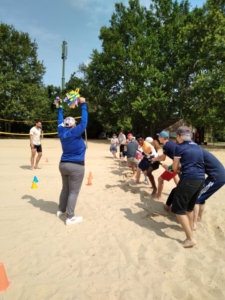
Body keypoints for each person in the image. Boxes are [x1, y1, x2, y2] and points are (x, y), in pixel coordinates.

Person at [56, 97, 88, 226]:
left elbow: (59, 119)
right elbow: (84, 121)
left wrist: (60, 107)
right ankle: (70, 217)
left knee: (65, 189)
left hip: (63, 164)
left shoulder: (61, 130)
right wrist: (83, 104)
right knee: (73, 192)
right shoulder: (75, 132)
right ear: (73, 125)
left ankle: (61, 210)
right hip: (75, 166)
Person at [171, 126, 205, 248]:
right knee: (189, 208)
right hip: (200, 179)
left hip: (189, 179)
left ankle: (190, 238)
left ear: (179, 136)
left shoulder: (179, 147)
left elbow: (175, 168)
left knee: (177, 209)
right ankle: (190, 230)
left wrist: (179, 168)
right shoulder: (197, 146)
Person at [193, 149, 225, 229]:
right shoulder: (200, 151)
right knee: (201, 197)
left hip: (216, 178)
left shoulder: (195, 153)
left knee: (195, 198)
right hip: (217, 176)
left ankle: (194, 223)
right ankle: (199, 218)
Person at [151, 131, 179, 199]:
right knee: (174, 175)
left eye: (159, 137)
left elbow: (163, 159)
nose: (158, 138)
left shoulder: (165, 146)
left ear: (162, 138)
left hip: (177, 164)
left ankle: (159, 196)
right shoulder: (171, 143)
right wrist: (155, 158)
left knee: (160, 179)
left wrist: (155, 160)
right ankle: (179, 189)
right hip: (179, 163)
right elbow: (162, 156)